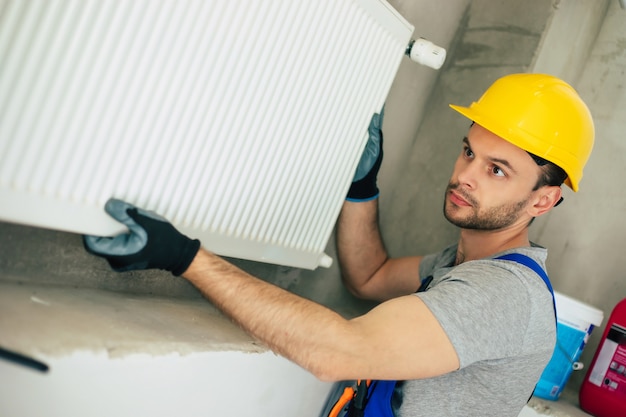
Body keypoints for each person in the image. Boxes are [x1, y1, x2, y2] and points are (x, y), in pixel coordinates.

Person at [84, 73, 595, 416]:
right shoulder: (458, 263)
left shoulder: (502, 293)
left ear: (543, 201)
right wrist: (361, 187)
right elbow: (368, 276)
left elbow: (337, 353)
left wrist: (184, 258)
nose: (464, 176)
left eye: (496, 170)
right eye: (468, 151)